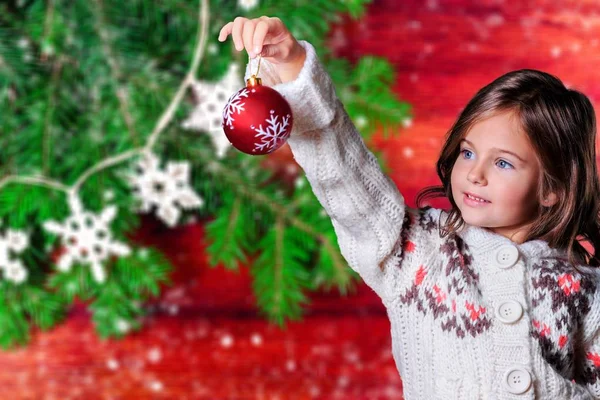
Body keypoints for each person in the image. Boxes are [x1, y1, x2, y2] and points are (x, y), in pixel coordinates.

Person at [218, 16, 600, 399]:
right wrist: (291, 65)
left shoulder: (583, 288)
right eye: (468, 152)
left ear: (552, 189)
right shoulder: (419, 251)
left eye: (503, 163)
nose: (475, 174)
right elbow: (346, 176)